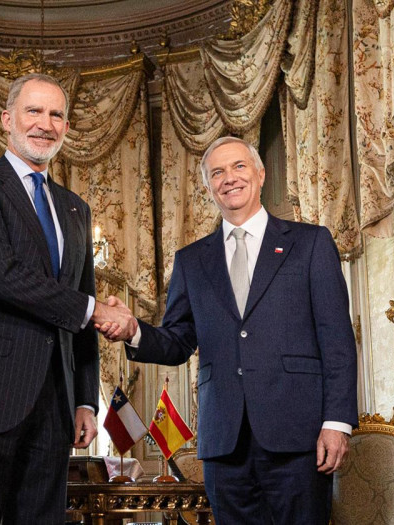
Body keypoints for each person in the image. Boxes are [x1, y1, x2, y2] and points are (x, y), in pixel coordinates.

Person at [99, 136, 358, 524]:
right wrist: (135, 329)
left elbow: (337, 341)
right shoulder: (191, 260)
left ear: (260, 173)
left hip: (297, 437)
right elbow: (177, 342)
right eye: (217, 172)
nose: (229, 178)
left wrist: (336, 423)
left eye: (239, 166)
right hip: (225, 442)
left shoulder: (310, 244)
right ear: (207, 187)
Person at [0, 73, 131, 524]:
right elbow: (4, 277)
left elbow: (80, 300)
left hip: (54, 406)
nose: (45, 123)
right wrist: (96, 311)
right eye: (34, 111)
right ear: (7, 119)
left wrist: (84, 400)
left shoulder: (76, 209)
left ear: (66, 127)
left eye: (56, 114)